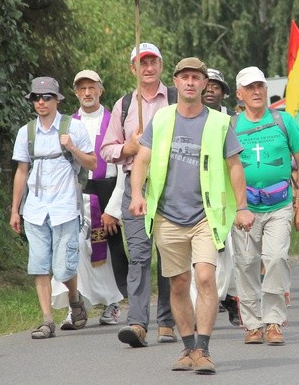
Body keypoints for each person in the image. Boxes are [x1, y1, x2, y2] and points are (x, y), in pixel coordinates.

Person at [129, 57, 254, 374]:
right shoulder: (161, 119)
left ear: (204, 84)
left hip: (205, 217)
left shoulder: (219, 123)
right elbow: (142, 160)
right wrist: (136, 194)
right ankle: (187, 347)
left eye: (196, 78)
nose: (190, 82)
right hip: (167, 216)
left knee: (205, 277)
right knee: (180, 284)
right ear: (176, 82)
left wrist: (241, 207)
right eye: (184, 77)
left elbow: (235, 167)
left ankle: (204, 349)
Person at [100, 42, 177, 347]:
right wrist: (128, 148)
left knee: (169, 253)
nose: (148, 68)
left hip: (172, 184)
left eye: (153, 61)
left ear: (161, 64)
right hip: (136, 185)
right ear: (133, 69)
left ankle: (168, 320)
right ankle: (138, 323)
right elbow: (107, 150)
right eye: (141, 63)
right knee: (140, 255)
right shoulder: (123, 106)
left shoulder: (174, 98)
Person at [9, 77, 97, 339]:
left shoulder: (74, 127)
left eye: (46, 97)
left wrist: (71, 147)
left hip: (65, 208)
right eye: (36, 97)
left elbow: (92, 164)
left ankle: (74, 298)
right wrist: (15, 209)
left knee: (63, 268)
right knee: (39, 265)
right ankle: (47, 320)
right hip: (35, 209)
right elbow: (22, 171)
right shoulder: (27, 132)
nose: (41, 102)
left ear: (57, 99)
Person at [231, 66, 299, 345]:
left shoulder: (283, 121)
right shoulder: (231, 126)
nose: (256, 92)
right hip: (244, 207)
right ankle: (252, 324)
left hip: (279, 205)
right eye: (249, 88)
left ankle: (273, 321)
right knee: (246, 263)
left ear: (266, 90)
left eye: (260, 86)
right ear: (239, 93)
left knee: (276, 259)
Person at [52, 71, 125, 328]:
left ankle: (112, 302)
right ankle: (77, 304)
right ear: (75, 92)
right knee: (74, 247)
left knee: (106, 248)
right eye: (82, 88)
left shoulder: (113, 120)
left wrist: (115, 206)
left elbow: (121, 161)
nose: (87, 93)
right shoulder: (67, 123)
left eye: (91, 88)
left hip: (107, 191)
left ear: (100, 90)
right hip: (76, 192)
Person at [199, 68, 240, 325]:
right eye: (208, 85)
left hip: (227, 196)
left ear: (224, 92)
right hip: (199, 194)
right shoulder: (190, 116)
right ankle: (208, 300)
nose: (211, 89)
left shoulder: (233, 120)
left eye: (217, 85)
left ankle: (232, 298)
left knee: (232, 252)